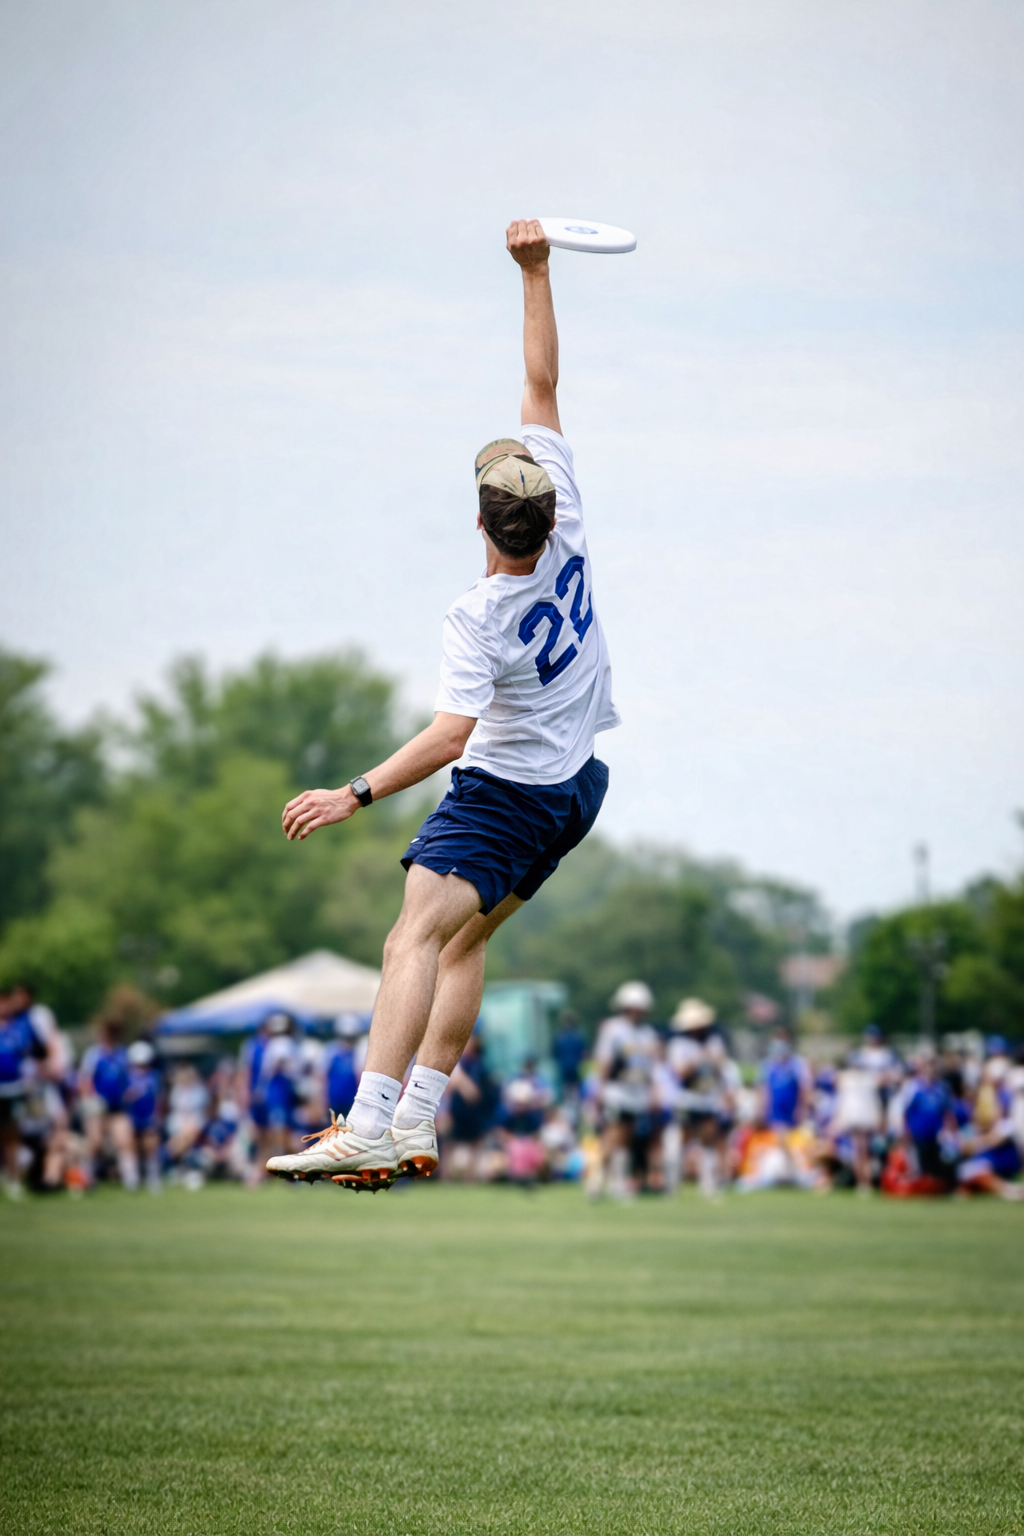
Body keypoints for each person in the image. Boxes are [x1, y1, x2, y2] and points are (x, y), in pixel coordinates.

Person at [269, 219, 619, 1191]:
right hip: (578, 787)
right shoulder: (574, 527)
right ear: (546, 511)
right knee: (460, 940)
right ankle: (419, 1119)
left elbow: (449, 735)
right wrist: (538, 272)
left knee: (408, 938)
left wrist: (355, 792)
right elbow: (543, 385)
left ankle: (369, 1121)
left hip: (504, 792)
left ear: (479, 520)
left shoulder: (480, 612)